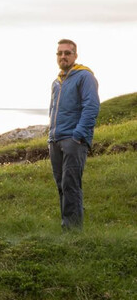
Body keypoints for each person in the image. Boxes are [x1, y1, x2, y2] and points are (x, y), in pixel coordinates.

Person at [48, 38, 101, 230]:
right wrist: (50, 135)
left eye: (67, 53)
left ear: (75, 56)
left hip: (72, 139)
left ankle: (73, 230)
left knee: (71, 184)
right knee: (61, 185)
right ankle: (67, 226)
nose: (63, 56)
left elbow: (92, 106)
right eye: (60, 53)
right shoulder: (57, 81)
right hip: (55, 140)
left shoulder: (84, 77)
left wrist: (78, 135)